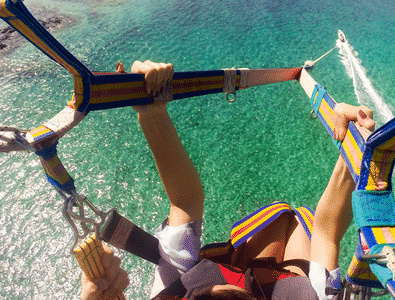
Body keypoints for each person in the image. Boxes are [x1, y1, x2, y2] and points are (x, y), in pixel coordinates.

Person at [80, 60, 375, 300]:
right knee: (291, 220)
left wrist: (151, 113)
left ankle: (270, 257)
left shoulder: (177, 288)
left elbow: (185, 200)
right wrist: (357, 145)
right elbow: (326, 232)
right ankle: (276, 252)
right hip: (280, 288)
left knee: (283, 223)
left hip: (248, 280)